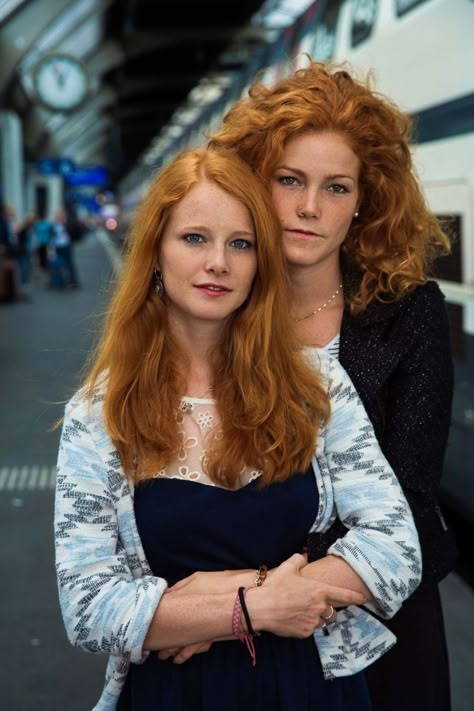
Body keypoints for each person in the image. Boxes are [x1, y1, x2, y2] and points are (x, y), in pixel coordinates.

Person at [54, 147, 421, 711]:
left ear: (260, 263)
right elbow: (88, 609)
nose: (219, 263)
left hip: (312, 685)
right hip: (174, 694)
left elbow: (397, 549)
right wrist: (252, 609)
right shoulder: (100, 414)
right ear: (155, 251)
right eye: (195, 238)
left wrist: (229, 597)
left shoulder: (315, 384)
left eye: (241, 243)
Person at [209, 59, 457, 711]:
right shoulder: (210, 307)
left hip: (382, 623)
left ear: (365, 203)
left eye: (337, 188)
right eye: (289, 179)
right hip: (240, 630)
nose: (310, 207)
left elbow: (408, 503)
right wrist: (228, 607)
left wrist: (258, 595)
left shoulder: (410, 312)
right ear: (253, 184)